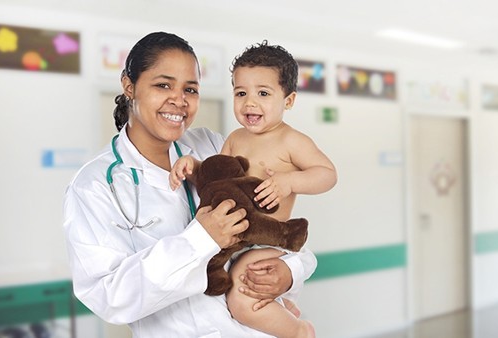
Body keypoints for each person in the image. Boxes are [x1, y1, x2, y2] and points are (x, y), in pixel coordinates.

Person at [62, 32, 317, 338]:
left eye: (191, 89)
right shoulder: (94, 186)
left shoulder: (216, 147)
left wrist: (290, 273)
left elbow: (277, 228)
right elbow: (110, 297)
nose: (179, 100)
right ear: (129, 85)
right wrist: (201, 239)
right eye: (163, 85)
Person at [170, 41, 337, 338]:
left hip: (267, 239)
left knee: (242, 295)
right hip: (235, 240)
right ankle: (284, 309)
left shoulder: (292, 141)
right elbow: (217, 179)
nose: (250, 103)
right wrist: (193, 168)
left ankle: (299, 331)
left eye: (263, 93)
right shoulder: (235, 138)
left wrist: (289, 181)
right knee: (226, 288)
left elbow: (327, 175)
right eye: (241, 93)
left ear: (289, 100)